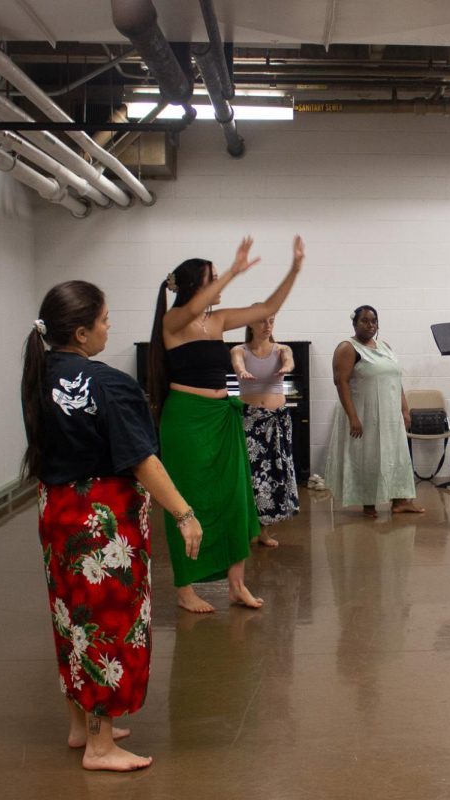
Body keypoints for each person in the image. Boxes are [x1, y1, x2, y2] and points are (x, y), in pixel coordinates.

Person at [21, 280, 202, 772]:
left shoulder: (39, 372)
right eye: (103, 320)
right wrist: (184, 513)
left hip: (57, 512)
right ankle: (101, 749)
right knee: (107, 623)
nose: (108, 326)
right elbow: (140, 459)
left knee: (72, 619)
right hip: (100, 520)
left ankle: (83, 726)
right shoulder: (107, 383)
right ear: (80, 333)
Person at [149, 235, 304, 613]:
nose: (218, 284)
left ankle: (236, 584)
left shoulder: (217, 320)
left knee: (237, 500)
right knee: (189, 500)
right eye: (212, 278)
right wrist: (233, 271)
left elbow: (267, 306)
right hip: (187, 420)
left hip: (222, 418)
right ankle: (185, 588)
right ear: (194, 286)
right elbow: (193, 306)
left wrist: (294, 269)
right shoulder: (173, 320)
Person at [325, 305, 425, 518]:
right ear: (355, 323)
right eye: (365, 320)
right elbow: (340, 382)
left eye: (374, 321)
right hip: (363, 414)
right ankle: (367, 503)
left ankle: (400, 501)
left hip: (390, 416)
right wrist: (353, 417)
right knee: (368, 457)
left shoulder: (385, 346)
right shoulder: (347, 347)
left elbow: (396, 380)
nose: (370, 325)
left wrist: (405, 410)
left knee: (395, 456)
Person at [230, 314, 300, 546]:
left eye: (271, 321)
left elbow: (289, 360)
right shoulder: (239, 350)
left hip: (277, 419)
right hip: (250, 419)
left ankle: (263, 531)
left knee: (272, 476)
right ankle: (246, 528)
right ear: (249, 323)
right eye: (262, 321)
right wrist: (241, 372)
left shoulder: (281, 350)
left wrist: (285, 368)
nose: (267, 326)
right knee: (250, 475)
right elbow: (238, 363)